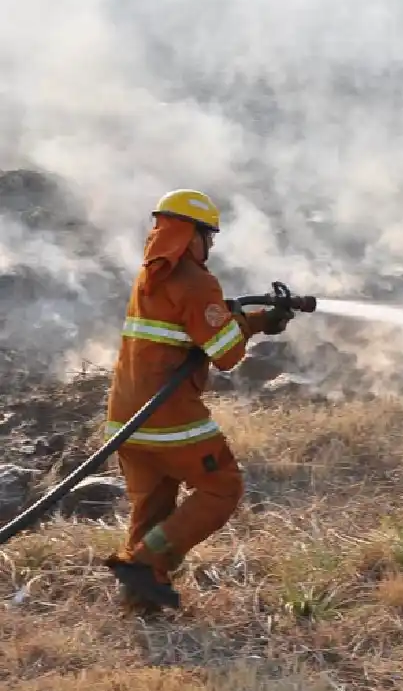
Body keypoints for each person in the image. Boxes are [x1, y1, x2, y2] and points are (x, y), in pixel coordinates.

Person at [102, 189, 293, 613]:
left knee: (153, 508)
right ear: (191, 234)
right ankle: (144, 563)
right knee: (221, 487)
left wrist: (260, 320)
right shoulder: (196, 280)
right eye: (209, 236)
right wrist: (247, 325)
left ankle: (141, 599)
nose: (210, 246)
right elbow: (225, 354)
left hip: (125, 419)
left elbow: (197, 327)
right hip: (170, 418)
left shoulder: (150, 275)